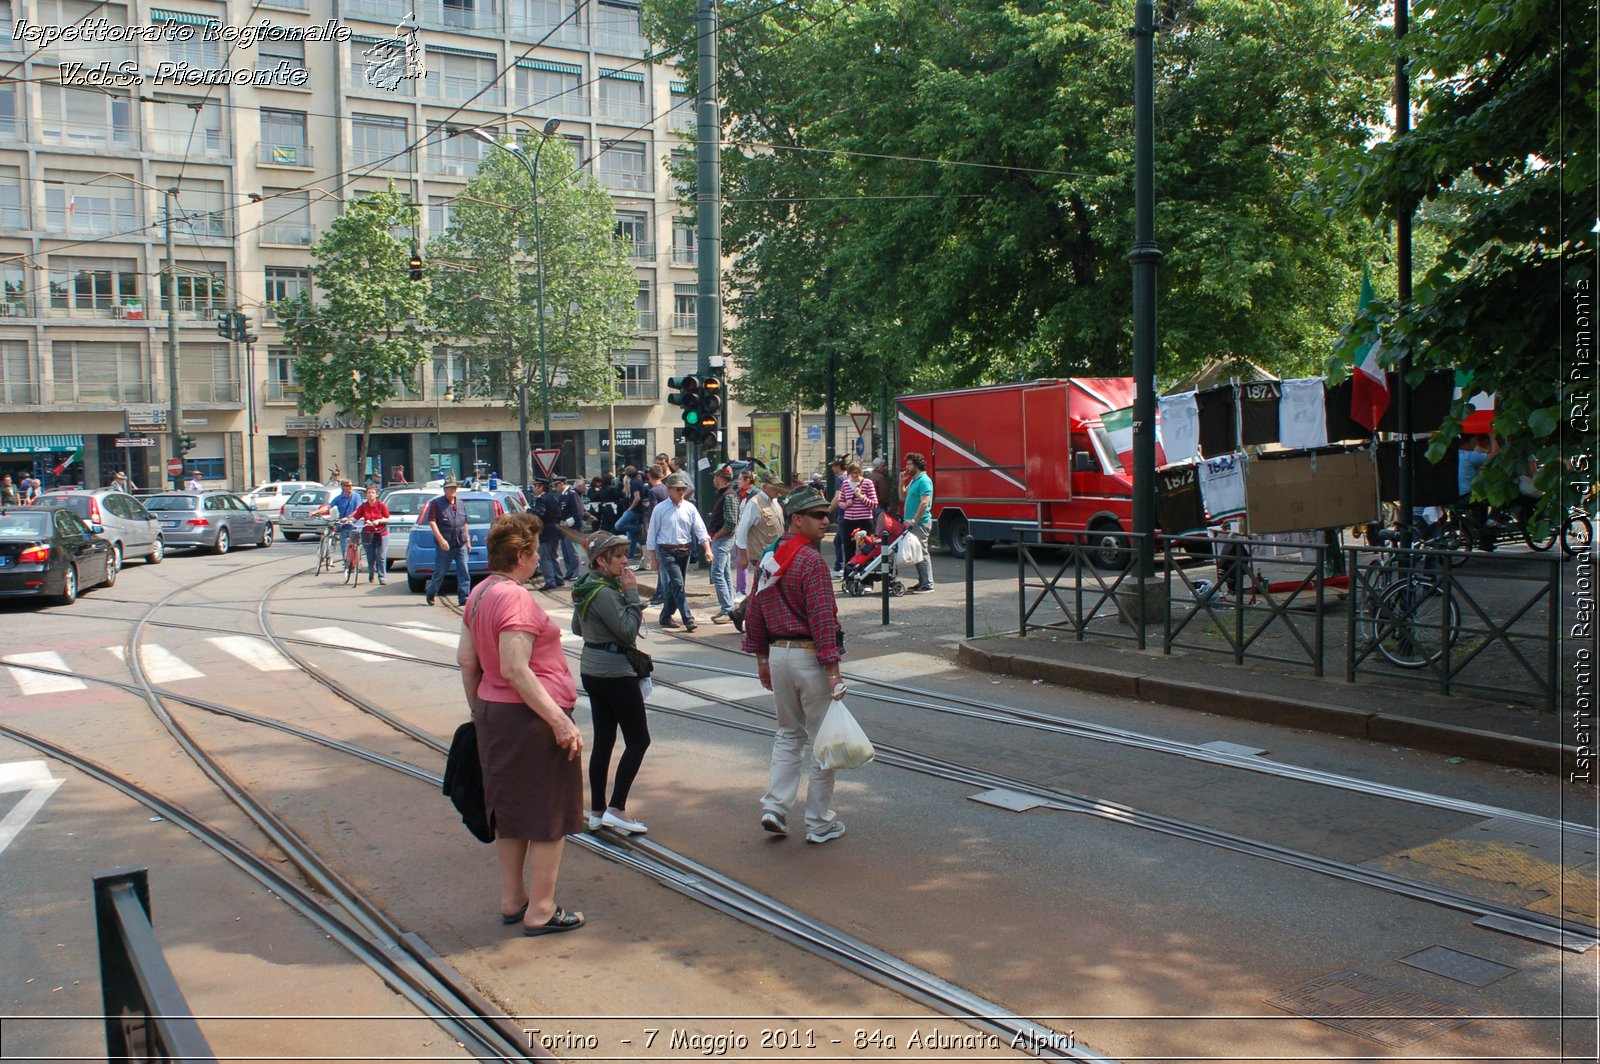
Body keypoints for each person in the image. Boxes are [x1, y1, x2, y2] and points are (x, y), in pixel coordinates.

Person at [456, 511, 586, 936]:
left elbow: (467, 661)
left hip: (497, 714)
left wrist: (479, 711)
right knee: (550, 816)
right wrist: (559, 723)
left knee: (509, 813)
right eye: (534, 552)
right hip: (531, 718)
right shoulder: (513, 597)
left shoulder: (479, 593)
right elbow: (516, 667)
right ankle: (542, 909)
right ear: (524, 555)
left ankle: (513, 900)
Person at [742, 485, 848, 844]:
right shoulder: (811, 561)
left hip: (778, 655)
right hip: (808, 657)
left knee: (788, 734)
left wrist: (760, 657)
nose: (825, 519)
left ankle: (775, 807)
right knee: (823, 741)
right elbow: (822, 617)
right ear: (796, 519)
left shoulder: (772, 556)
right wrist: (833, 670)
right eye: (817, 515)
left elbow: (754, 610)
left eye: (825, 513)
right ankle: (819, 823)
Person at [570, 532, 650, 836]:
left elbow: (578, 627)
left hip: (592, 670)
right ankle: (617, 808)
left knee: (604, 739)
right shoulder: (605, 592)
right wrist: (631, 595)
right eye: (618, 556)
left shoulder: (586, 586)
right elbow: (628, 632)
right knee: (639, 740)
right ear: (601, 561)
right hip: (615, 673)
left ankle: (597, 811)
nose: (625, 561)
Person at [645, 472, 711, 631]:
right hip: (666, 550)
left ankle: (665, 616)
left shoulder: (690, 508)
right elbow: (652, 533)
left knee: (676, 585)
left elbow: (700, 529)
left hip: (684, 550)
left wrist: (707, 549)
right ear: (669, 490)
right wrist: (653, 557)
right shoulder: (660, 509)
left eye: (682, 489)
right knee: (678, 584)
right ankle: (688, 619)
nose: (681, 492)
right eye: (678, 489)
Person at [422, 478, 472, 606]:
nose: (452, 490)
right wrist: (441, 540)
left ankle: (463, 597)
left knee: (464, 571)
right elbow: (432, 522)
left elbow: (464, 523)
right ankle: (431, 593)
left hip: (460, 543)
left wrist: (467, 540)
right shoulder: (436, 503)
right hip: (445, 545)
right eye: (449, 488)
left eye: (454, 488)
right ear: (445, 490)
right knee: (440, 572)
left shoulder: (460, 503)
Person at [706, 466, 741, 622]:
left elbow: (731, 523)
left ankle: (727, 610)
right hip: (721, 538)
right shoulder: (726, 495)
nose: (713, 480)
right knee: (724, 573)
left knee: (717, 573)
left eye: (715, 477)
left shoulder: (728, 496)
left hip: (722, 539)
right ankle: (729, 608)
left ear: (720, 478)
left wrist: (716, 536)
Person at [832, 462, 878, 574]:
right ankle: (848, 576)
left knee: (867, 549)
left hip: (865, 520)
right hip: (849, 521)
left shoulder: (867, 483)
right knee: (848, 549)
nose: (854, 475)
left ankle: (867, 578)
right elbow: (840, 501)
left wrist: (861, 497)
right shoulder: (846, 484)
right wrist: (845, 505)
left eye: (857, 472)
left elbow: (874, 504)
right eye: (852, 473)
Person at [901, 452, 935, 592]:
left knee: (921, 551)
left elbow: (925, 502)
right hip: (912, 522)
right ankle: (922, 581)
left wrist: (914, 519)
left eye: (910, 464)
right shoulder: (914, 480)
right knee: (917, 552)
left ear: (917, 465)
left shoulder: (924, 480)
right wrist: (901, 481)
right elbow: (902, 496)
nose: (907, 467)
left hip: (920, 523)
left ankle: (928, 584)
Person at [351, 485, 391, 585]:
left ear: (376, 494)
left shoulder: (381, 505)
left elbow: (387, 519)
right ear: (366, 495)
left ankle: (382, 577)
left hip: (381, 533)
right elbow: (355, 518)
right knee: (371, 557)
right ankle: (371, 572)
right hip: (368, 534)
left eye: (372, 493)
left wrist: (378, 521)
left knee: (381, 556)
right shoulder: (363, 507)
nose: (371, 495)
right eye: (369, 493)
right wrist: (348, 520)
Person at [534, 478, 567, 591]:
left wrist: (530, 511)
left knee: (545, 557)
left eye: (536, 486)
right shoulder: (552, 497)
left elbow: (541, 512)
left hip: (546, 531)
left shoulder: (541, 499)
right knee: (553, 556)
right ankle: (559, 578)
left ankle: (550, 581)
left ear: (541, 487)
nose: (534, 489)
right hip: (555, 530)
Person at [327, 478, 363, 565]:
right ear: (343, 487)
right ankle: (346, 562)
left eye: (351, 485)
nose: (351, 487)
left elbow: (358, 509)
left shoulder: (356, 496)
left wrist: (348, 517)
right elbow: (329, 506)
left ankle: (357, 561)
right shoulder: (339, 498)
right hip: (343, 526)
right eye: (348, 486)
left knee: (355, 545)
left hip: (354, 525)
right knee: (344, 546)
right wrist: (316, 512)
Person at [613, 466, 646, 558]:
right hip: (637, 510)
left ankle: (637, 528)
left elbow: (637, 497)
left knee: (618, 525)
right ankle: (630, 554)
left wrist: (630, 508)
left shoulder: (634, 483)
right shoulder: (639, 482)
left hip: (634, 510)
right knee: (631, 535)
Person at [556, 475, 585, 580]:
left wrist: (569, 522)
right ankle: (569, 571)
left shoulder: (572, 494)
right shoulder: (562, 496)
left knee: (573, 551)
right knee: (566, 551)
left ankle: (576, 573)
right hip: (563, 527)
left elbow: (578, 512)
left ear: (561, 484)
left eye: (556, 486)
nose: (555, 488)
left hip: (572, 528)